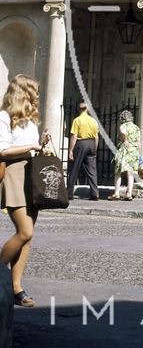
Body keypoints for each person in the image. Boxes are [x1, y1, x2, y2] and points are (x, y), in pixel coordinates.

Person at [0, 74, 51, 307]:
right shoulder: (4, 117)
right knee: (25, 231)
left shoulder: (30, 121)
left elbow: (31, 148)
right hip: (13, 174)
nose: (38, 95)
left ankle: (16, 287)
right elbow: (2, 150)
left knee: (28, 239)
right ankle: (1, 274)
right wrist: (31, 145)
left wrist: (40, 142)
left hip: (31, 175)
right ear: (24, 92)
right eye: (35, 91)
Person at [67, 102, 100, 201]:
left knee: (74, 168)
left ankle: (69, 193)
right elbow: (96, 137)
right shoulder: (93, 121)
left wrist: (71, 150)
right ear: (87, 109)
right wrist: (95, 149)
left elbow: (74, 136)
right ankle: (95, 193)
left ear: (79, 109)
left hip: (81, 144)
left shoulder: (77, 120)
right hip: (91, 144)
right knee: (92, 170)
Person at [108, 110, 140, 201]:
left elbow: (122, 131)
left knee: (118, 172)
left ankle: (116, 193)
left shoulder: (123, 126)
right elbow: (138, 142)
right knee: (131, 173)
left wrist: (125, 139)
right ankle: (129, 193)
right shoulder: (136, 127)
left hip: (124, 150)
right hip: (134, 151)